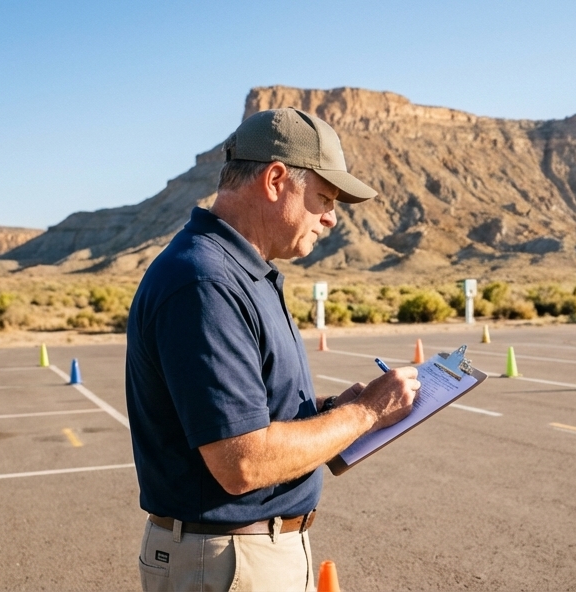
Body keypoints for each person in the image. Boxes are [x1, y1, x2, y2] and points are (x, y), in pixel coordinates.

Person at [126, 108, 420, 591]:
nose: (330, 218)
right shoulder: (206, 282)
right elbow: (243, 462)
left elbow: (253, 414)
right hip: (225, 561)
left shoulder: (242, 271)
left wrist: (331, 411)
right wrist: (366, 413)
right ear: (276, 179)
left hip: (243, 555)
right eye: (323, 198)